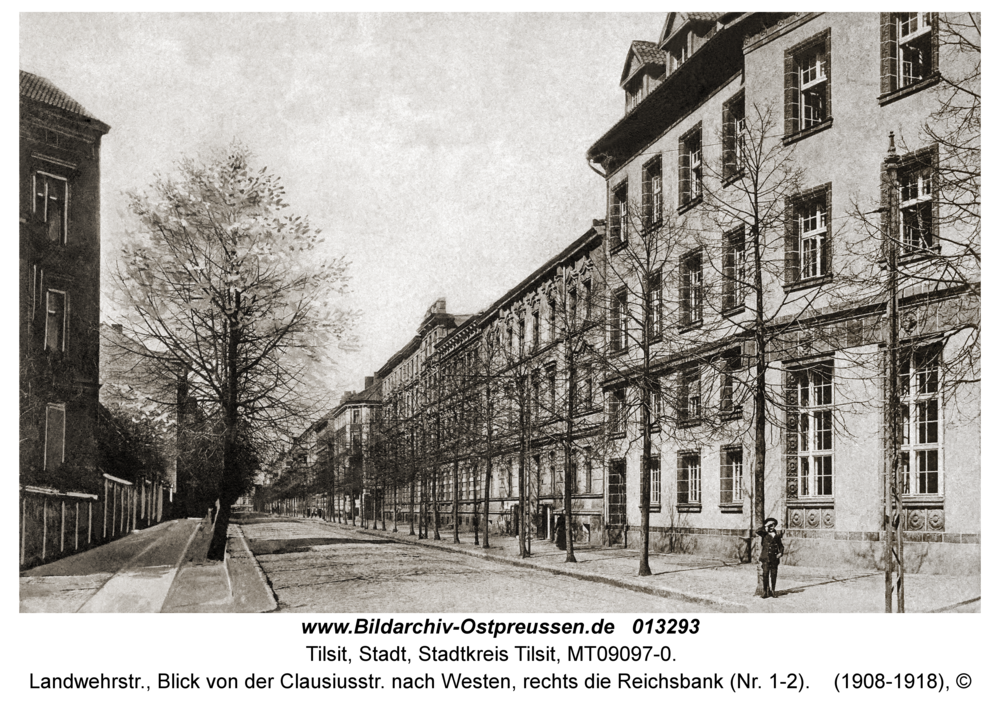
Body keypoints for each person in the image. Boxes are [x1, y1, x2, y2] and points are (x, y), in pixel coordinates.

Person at [757, 517, 784, 598]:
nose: (772, 527)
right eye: (770, 525)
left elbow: (781, 546)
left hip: (774, 558)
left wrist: (780, 553)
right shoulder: (764, 534)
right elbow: (757, 531)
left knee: (773, 575)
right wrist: (765, 526)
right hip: (766, 558)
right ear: (767, 526)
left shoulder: (777, 535)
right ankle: (765, 592)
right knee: (765, 574)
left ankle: (773, 591)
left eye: (773, 525)